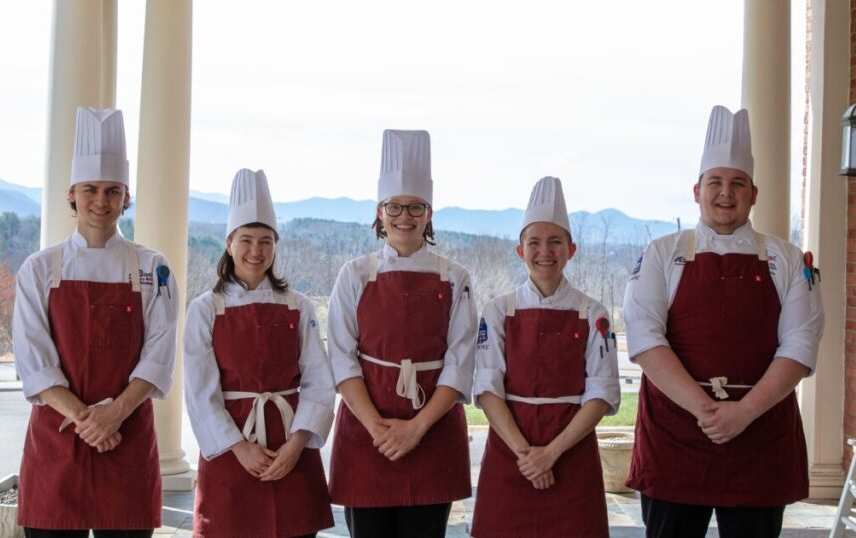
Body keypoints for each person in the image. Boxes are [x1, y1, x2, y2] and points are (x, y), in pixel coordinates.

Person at [623, 105, 825, 537]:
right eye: (715, 182)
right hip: (676, 433)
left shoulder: (786, 259)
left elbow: (800, 343)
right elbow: (644, 337)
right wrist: (707, 411)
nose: (725, 193)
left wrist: (744, 413)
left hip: (761, 433)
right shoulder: (662, 253)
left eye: (737, 184)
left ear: (755, 193)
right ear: (697, 190)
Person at [12, 106, 178, 538]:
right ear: (71, 194)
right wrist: (89, 421)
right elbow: (34, 360)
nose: (101, 202)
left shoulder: (151, 267)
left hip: (127, 439)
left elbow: (159, 354)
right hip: (58, 440)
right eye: (90, 189)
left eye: (112, 190)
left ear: (126, 197)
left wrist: (115, 414)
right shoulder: (40, 268)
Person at [327, 130, 476, 538]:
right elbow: (341, 357)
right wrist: (377, 426)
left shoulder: (455, 277)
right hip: (365, 432)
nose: (404, 216)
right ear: (379, 212)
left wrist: (416, 427)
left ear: (429, 213)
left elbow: (460, 364)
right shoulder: (355, 274)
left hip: (433, 432)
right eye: (395, 206)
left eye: (415, 207)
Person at [183, 168, 335, 538]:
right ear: (229, 243)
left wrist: (297, 445)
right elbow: (201, 393)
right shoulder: (206, 309)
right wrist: (239, 448)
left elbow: (319, 381)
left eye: (265, 241)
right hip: (231, 453)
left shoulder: (298, 306)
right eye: (246, 240)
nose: (256, 251)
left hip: (291, 450)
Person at [471, 176, 620, 538]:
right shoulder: (497, 311)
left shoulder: (593, 313)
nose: (545, 251)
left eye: (555, 241)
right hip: (511, 455)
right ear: (520, 251)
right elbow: (488, 389)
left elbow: (601, 392)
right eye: (534, 242)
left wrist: (550, 454)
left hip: (571, 455)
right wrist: (528, 455)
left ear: (572, 249)